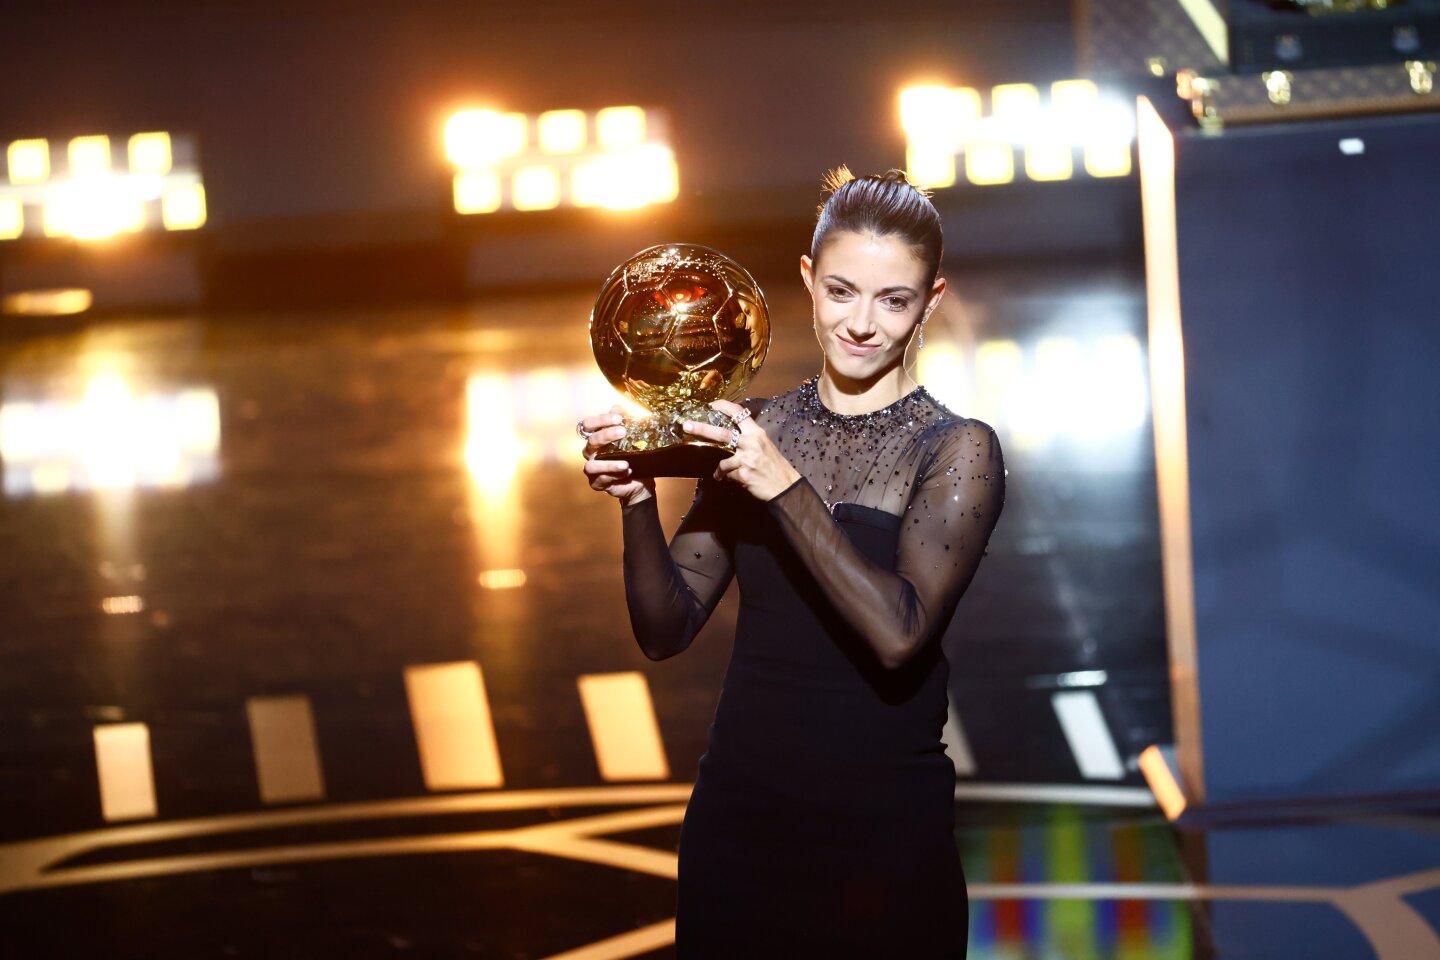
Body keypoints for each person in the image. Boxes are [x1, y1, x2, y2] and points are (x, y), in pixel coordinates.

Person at [578, 167, 1005, 958]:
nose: (863, 324)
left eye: (894, 299)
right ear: (807, 280)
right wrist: (637, 502)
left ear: (933, 301)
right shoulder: (760, 425)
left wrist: (782, 486)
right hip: (740, 824)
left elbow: (898, 634)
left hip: (883, 835)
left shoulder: (956, 450)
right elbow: (665, 628)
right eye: (842, 291)